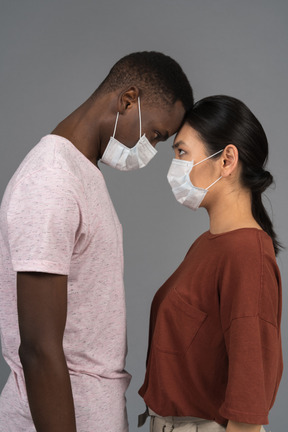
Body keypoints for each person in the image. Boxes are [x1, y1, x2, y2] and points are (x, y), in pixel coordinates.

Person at [0, 51, 193, 432]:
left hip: (92, 412)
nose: (151, 151)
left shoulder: (81, 171)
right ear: (127, 100)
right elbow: (38, 349)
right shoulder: (51, 180)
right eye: (155, 135)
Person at [139, 95, 283, 432]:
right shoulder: (208, 245)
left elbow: (249, 402)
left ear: (227, 160)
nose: (175, 166)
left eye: (182, 153)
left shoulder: (247, 253)